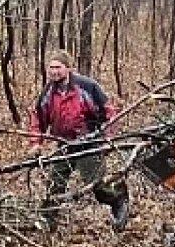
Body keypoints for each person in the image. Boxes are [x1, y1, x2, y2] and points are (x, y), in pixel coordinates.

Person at [29, 50, 130, 232]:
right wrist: (36, 143)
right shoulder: (48, 92)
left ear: (68, 68)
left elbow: (109, 112)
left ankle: (118, 199)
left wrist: (108, 138)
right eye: (51, 68)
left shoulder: (87, 87)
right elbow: (38, 118)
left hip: (89, 143)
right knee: (55, 183)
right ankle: (47, 221)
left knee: (97, 187)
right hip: (64, 144)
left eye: (58, 67)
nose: (54, 72)